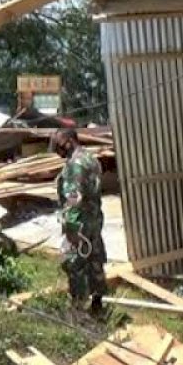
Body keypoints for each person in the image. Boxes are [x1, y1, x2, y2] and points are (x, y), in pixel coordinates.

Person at [51, 128, 108, 315]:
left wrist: (71, 227)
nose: (57, 150)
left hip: (80, 224)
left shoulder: (74, 165)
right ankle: (97, 303)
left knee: (75, 264)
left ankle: (78, 308)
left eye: (58, 145)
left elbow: (73, 199)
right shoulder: (91, 159)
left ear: (69, 141)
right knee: (95, 259)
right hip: (94, 219)